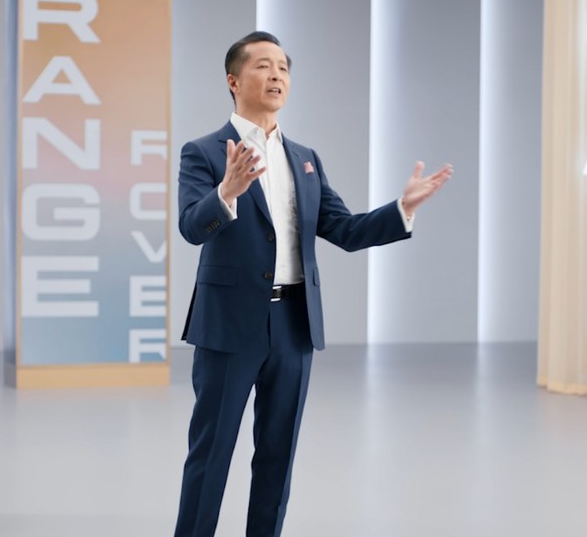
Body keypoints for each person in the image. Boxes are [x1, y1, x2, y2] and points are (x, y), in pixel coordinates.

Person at [173, 31, 453, 536]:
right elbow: (192, 227)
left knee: (277, 456)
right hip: (229, 327)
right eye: (263, 65)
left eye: (283, 67)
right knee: (210, 454)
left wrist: (401, 209)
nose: (276, 75)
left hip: (293, 325)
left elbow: (343, 229)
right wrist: (227, 192)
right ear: (233, 81)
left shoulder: (305, 158)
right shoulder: (204, 152)